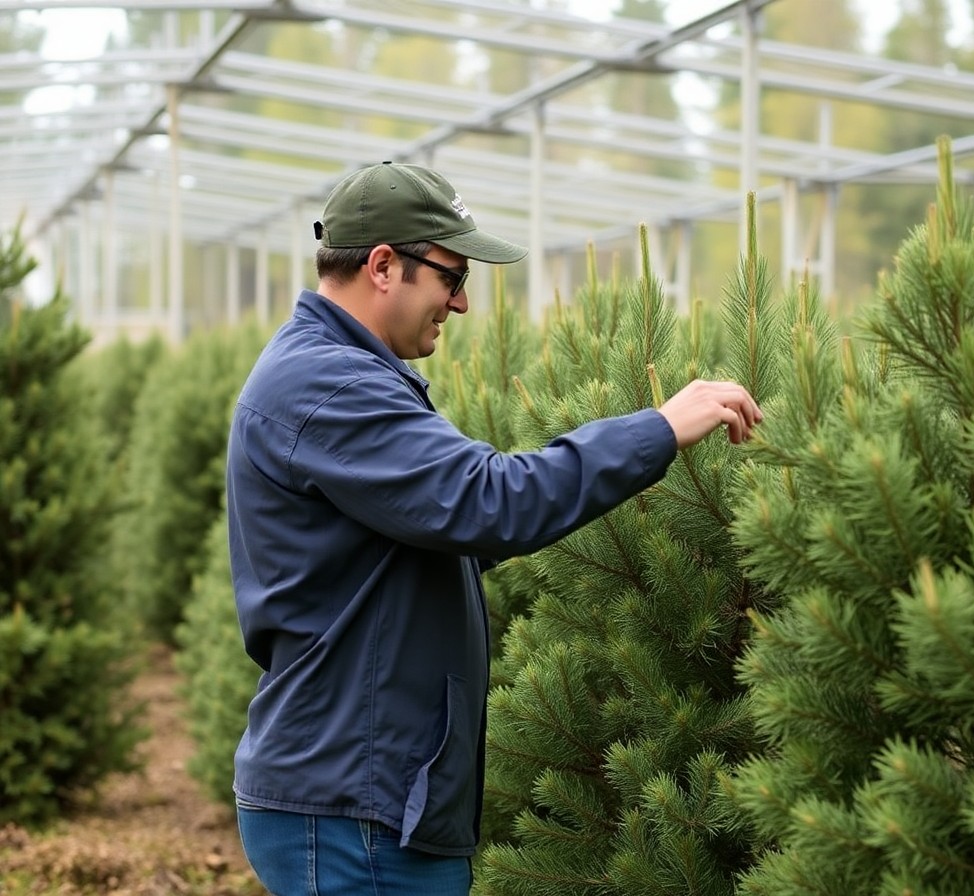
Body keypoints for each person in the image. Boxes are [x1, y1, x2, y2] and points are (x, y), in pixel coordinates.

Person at [226, 160, 762, 896]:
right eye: (451, 276)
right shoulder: (330, 386)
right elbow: (490, 501)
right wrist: (659, 429)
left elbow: (426, 543)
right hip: (356, 806)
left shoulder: (339, 373)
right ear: (382, 266)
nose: (462, 301)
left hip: (366, 792)